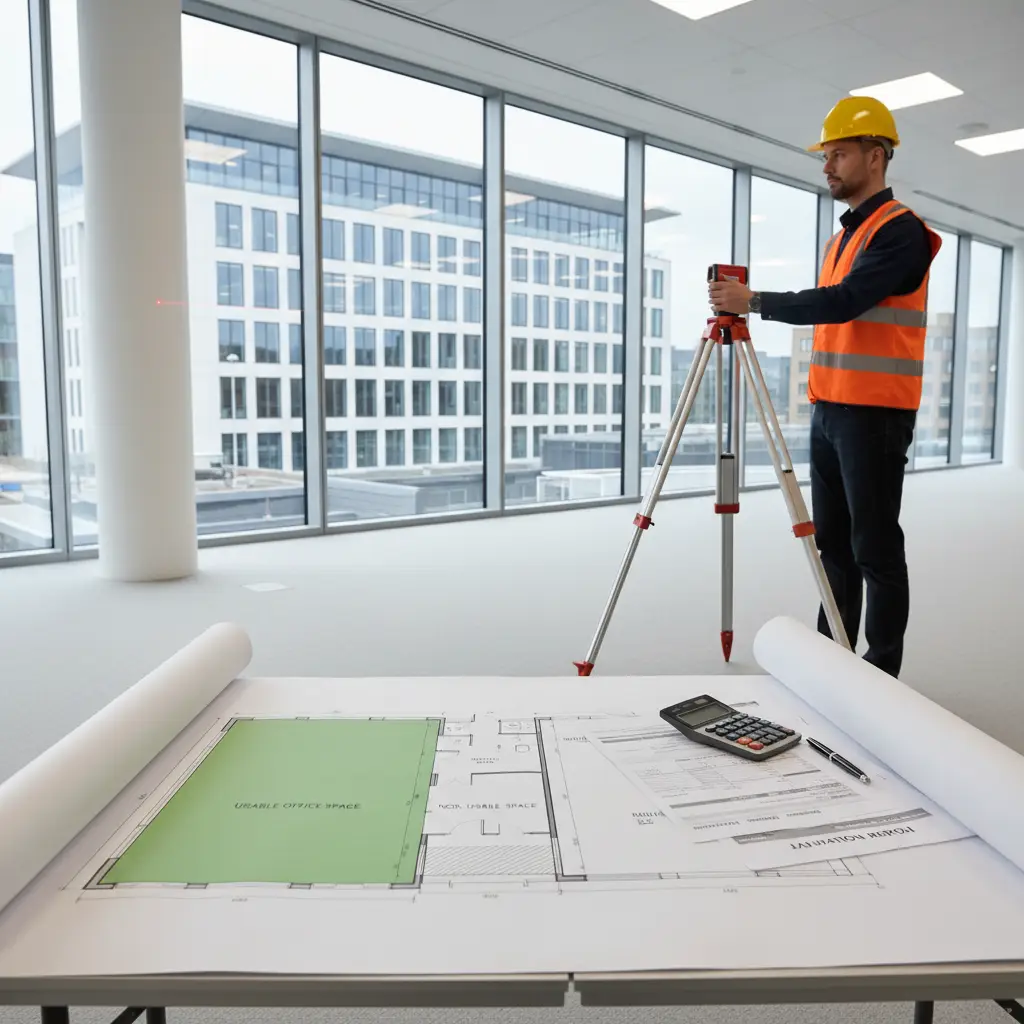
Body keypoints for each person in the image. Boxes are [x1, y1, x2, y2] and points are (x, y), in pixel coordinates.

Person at [708, 96, 942, 679]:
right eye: (827, 155)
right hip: (831, 411)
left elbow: (843, 304)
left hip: (875, 417)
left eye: (839, 154)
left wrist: (755, 302)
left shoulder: (900, 232)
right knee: (831, 547)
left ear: (876, 156)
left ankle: (881, 672)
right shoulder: (842, 238)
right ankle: (830, 657)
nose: (828, 166)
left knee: (875, 549)